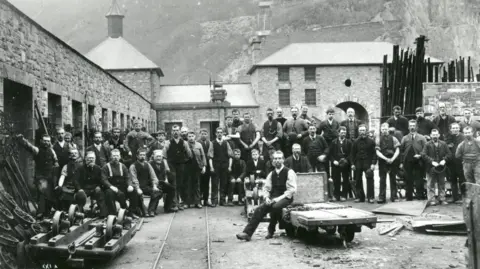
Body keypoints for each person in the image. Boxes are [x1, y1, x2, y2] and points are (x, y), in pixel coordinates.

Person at [236, 151, 297, 241]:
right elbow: (266, 189)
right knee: (259, 209)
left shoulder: (289, 172)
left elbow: (292, 190)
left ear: (283, 160)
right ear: (273, 161)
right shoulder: (271, 174)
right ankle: (247, 233)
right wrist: (267, 197)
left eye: (279, 158)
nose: (277, 161)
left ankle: (271, 230)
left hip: (286, 198)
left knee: (276, 206)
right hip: (273, 198)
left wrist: (277, 199)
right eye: (275, 159)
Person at [16, 134, 59, 219]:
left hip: (50, 177)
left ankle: (47, 213)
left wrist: (55, 170)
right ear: (41, 141)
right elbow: (29, 146)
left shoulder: (52, 151)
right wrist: (22, 139)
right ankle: (40, 213)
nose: (46, 142)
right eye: (45, 141)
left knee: (50, 195)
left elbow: (56, 163)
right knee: (44, 192)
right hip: (40, 178)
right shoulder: (37, 150)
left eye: (48, 141)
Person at [102, 149, 139, 218]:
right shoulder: (106, 167)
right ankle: (112, 214)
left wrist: (129, 185)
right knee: (109, 193)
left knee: (134, 191)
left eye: (117, 156)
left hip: (122, 187)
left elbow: (127, 177)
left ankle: (131, 212)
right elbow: (104, 180)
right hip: (111, 188)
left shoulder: (123, 166)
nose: (115, 157)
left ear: (120, 157)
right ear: (110, 157)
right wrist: (111, 186)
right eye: (114, 156)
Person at [163, 125, 192, 211]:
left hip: (181, 166)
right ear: (172, 132)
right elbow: (164, 156)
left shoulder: (184, 143)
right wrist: (167, 167)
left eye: (177, 130)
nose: (175, 132)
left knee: (180, 184)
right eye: (174, 130)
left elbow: (189, 155)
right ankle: (174, 203)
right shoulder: (168, 142)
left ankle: (178, 203)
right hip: (171, 165)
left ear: (179, 132)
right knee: (173, 184)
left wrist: (183, 161)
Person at [422, 129, 452, 206]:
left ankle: (442, 199)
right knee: (430, 184)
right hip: (431, 168)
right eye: (433, 135)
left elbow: (449, 154)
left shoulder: (444, 144)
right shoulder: (427, 144)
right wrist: (432, 162)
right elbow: (424, 155)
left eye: (436, 134)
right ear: (431, 135)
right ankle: (431, 200)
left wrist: (444, 160)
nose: (435, 136)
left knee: (442, 184)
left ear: (438, 135)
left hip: (441, 168)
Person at [73, 151, 108, 217]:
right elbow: (75, 180)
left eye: (92, 158)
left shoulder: (98, 168)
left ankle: (103, 214)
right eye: (89, 158)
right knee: (80, 195)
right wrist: (79, 189)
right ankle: (79, 212)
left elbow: (101, 180)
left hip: (94, 188)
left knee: (100, 193)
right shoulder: (80, 168)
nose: (91, 160)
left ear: (95, 159)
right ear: (85, 158)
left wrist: (99, 186)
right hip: (84, 188)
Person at [400, 120, 427, 201]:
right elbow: (401, 151)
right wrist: (401, 162)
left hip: (419, 162)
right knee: (408, 180)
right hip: (407, 162)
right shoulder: (404, 138)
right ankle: (409, 197)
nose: (412, 127)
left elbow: (426, 150)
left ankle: (420, 197)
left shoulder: (422, 138)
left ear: (416, 127)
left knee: (419, 180)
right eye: (410, 126)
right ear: (408, 127)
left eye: (413, 126)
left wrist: (420, 155)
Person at [129, 149, 161, 217]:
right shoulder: (133, 166)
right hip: (137, 187)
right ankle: (144, 211)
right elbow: (134, 179)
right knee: (138, 195)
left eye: (144, 155)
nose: (142, 156)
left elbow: (154, 177)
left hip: (146, 186)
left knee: (157, 192)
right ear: (137, 156)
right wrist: (137, 188)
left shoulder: (148, 165)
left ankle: (151, 210)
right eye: (141, 155)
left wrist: (154, 186)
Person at [351, 124, 377, 203]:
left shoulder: (371, 141)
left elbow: (374, 153)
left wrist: (373, 163)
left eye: (363, 130)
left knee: (370, 179)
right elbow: (352, 154)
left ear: (366, 131)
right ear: (358, 132)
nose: (362, 132)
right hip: (358, 163)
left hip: (368, 163)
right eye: (360, 130)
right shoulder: (355, 141)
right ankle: (360, 197)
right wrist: (352, 164)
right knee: (358, 180)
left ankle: (370, 197)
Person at [375, 123, 401, 203]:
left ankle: (394, 196)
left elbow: (397, 150)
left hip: (392, 161)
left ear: (388, 129)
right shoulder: (378, 139)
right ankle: (382, 197)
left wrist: (392, 159)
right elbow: (377, 151)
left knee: (393, 179)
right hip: (383, 162)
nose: (384, 131)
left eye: (385, 129)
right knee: (382, 179)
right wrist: (385, 158)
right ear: (381, 130)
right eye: (382, 129)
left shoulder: (394, 138)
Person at [208, 127, 233, 207]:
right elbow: (210, 157)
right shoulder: (212, 143)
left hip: (224, 166)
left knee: (224, 183)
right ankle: (214, 201)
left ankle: (222, 200)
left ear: (223, 134)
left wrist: (229, 166)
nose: (219, 134)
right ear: (216, 133)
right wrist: (211, 167)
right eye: (218, 132)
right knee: (214, 184)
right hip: (216, 166)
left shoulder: (226, 143)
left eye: (221, 132)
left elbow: (230, 156)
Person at [329, 126, 352, 201]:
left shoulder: (349, 142)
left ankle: (344, 195)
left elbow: (351, 154)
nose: (343, 134)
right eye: (342, 133)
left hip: (345, 164)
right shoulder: (334, 142)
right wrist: (333, 161)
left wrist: (346, 160)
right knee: (336, 180)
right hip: (336, 164)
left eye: (345, 133)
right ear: (338, 133)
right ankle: (336, 195)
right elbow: (330, 154)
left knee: (345, 179)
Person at [186, 131, 207, 209]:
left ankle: (197, 202)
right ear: (187, 137)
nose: (191, 138)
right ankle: (187, 202)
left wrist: (204, 166)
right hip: (187, 167)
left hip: (197, 167)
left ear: (195, 137)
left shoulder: (199, 145)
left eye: (192, 136)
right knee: (188, 185)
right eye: (189, 136)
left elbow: (203, 156)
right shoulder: (185, 144)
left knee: (197, 185)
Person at [446, 122, 465, 203]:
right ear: (450, 129)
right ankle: (455, 197)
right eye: (453, 128)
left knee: (462, 180)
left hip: (461, 163)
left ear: (459, 128)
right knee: (452, 180)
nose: (455, 129)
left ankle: (464, 197)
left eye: (456, 128)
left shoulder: (463, 137)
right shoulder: (448, 137)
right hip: (451, 163)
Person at [198, 129, 212, 206]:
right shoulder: (197, 143)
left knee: (206, 183)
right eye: (202, 134)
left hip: (208, 166)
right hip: (200, 166)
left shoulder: (210, 143)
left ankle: (206, 200)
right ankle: (199, 200)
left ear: (207, 135)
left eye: (205, 134)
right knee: (200, 183)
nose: (204, 135)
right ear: (200, 134)